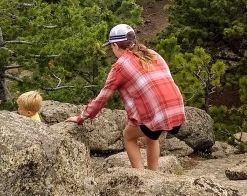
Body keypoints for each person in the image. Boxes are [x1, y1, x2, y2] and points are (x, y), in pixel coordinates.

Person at [67, 24, 185, 171]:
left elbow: (102, 98)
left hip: (157, 114)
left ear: (116, 45)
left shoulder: (120, 66)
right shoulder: (152, 53)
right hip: (176, 109)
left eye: (111, 47)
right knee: (151, 135)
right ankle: (154, 173)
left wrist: (82, 117)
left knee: (128, 136)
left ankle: (141, 175)